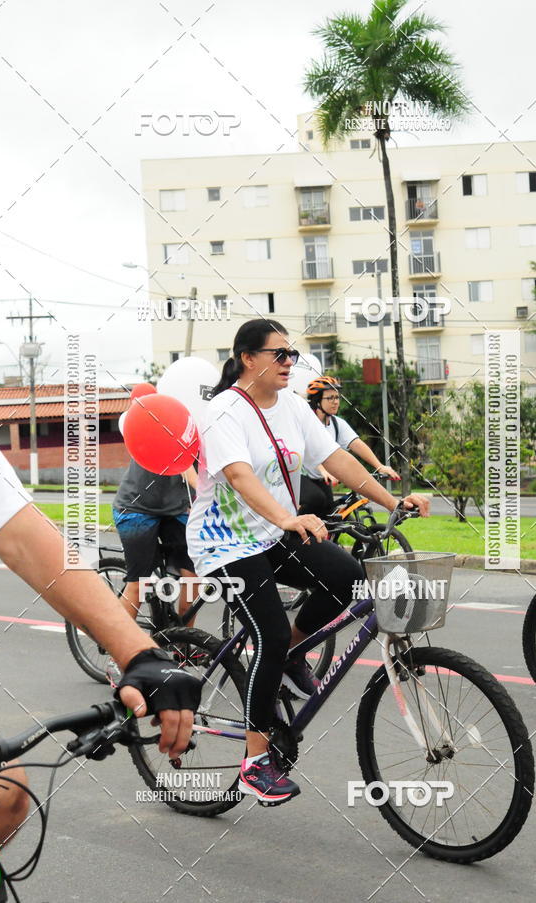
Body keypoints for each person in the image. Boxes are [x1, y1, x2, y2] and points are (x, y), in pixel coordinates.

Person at [186, 319, 429, 806]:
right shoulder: (223, 411)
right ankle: (255, 763)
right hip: (226, 543)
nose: (289, 363)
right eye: (279, 354)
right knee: (269, 635)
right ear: (247, 357)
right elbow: (237, 475)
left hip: (276, 531)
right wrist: (290, 517)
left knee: (350, 579)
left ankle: (293, 654)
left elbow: (337, 459)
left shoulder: (294, 406)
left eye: (292, 354)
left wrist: (390, 501)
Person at [0, 442, 201, 848]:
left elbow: (21, 536)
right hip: (136, 515)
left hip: (171, 515)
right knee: (138, 581)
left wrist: (141, 654)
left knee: (8, 792)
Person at [299, 376, 401, 518]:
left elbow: (357, 444)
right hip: (302, 476)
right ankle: (291, 534)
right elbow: (311, 453)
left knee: (331, 518)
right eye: (330, 398)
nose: (335, 402)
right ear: (317, 401)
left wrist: (379, 466)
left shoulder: (337, 423)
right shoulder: (308, 424)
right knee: (316, 499)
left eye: (337, 397)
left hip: (323, 480)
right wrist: (323, 470)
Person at [112, 460, 198, 624]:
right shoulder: (167, 433)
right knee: (139, 584)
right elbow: (181, 461)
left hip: (176, 508)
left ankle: (183, 643)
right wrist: (205, 493)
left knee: (192, 577)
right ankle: (122, 646)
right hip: (135, 507)